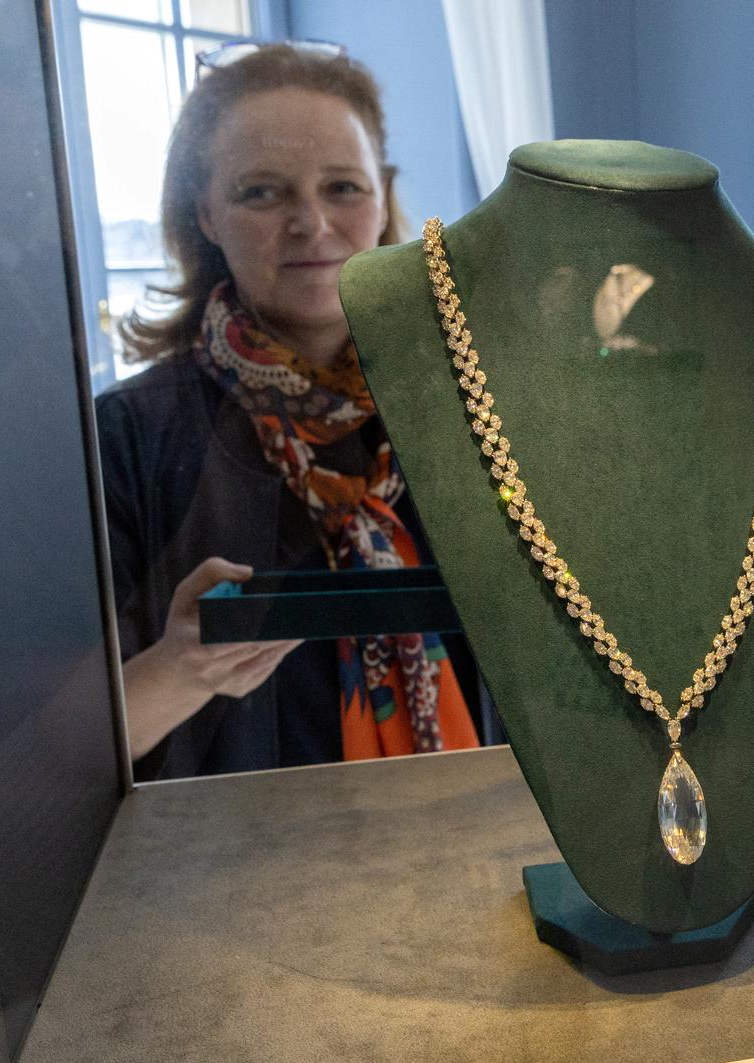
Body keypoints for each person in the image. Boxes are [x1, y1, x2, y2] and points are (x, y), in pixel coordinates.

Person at [97, 43, 482, 781]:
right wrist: (182, 670)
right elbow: (39, 767)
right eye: (262, 193)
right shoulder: (124, 439)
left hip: (473, 844)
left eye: (341, 186)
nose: (310, 223)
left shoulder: (470, 412)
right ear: (205, 213)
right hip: (231, 877)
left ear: (383, 196)